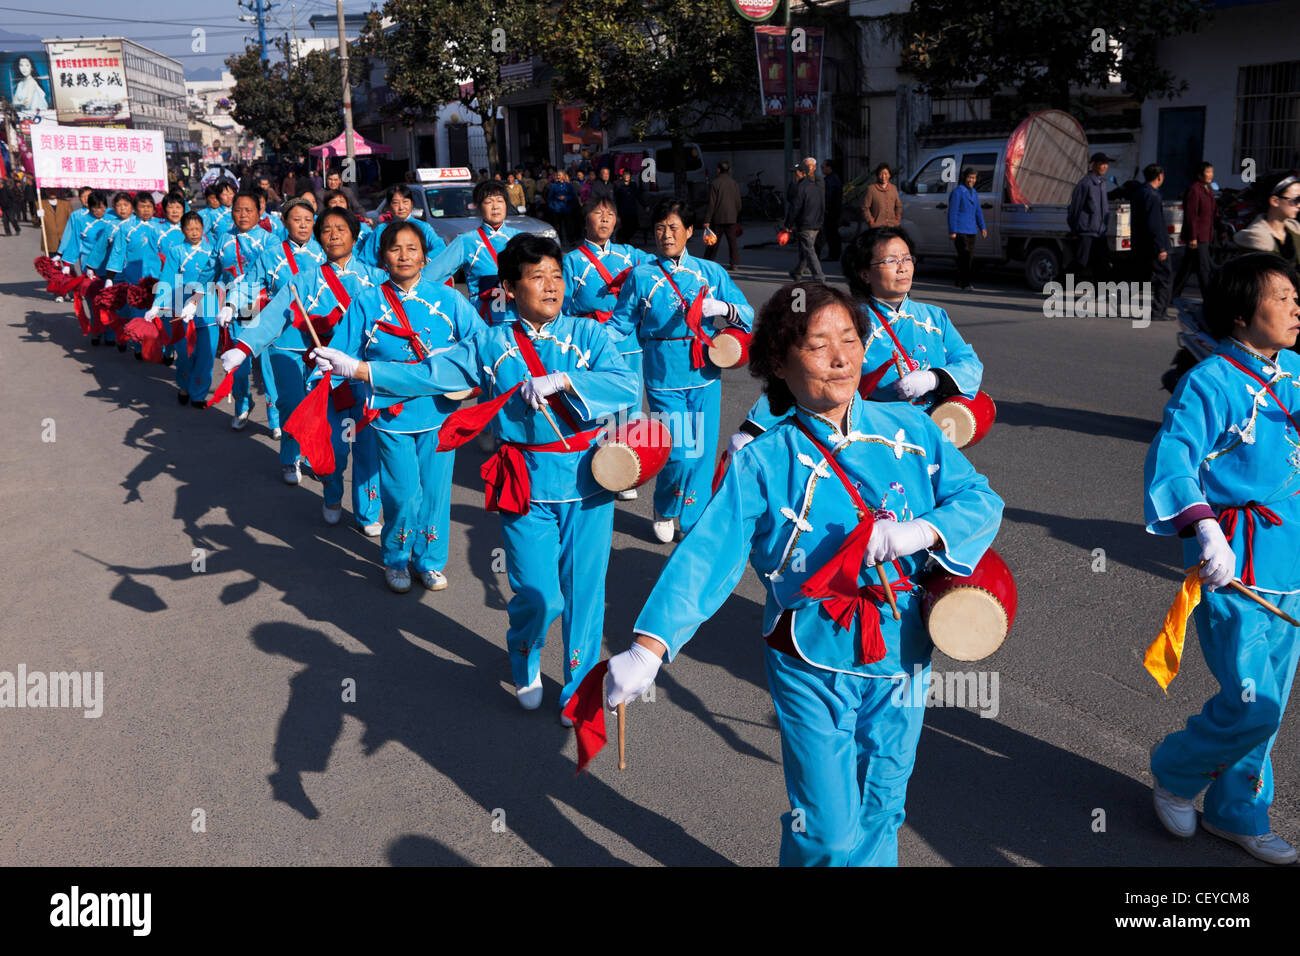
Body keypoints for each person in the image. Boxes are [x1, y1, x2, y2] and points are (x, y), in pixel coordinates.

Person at [603, 281, 1004, 866]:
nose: (841, 357)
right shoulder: (763, 458)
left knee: (885, 804)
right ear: (780, 365)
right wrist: (648, 648)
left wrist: (920, 532)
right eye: (819, 345)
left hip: (903, 650)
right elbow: (708, 555)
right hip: (809, 654)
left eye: (850, 340)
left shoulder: (912, 431)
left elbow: (980, 498)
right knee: (827, 829)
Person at [311, 233, 638, 717]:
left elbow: (626, 383)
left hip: (589, 480)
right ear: (508, 286)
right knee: (540, 594)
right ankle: (523, 651)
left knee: (587, 593)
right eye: (537, 277)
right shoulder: (490, 342)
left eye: (556, 276)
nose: (551, 286)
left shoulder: (587, 335)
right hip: (525, 481)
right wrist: (360, 370)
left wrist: (568, 379)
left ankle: (578, 689)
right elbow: (430, 374)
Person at [1144, 253, 1300, 865]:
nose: (1295, 307)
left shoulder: (1294, 370)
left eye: (1295, 296)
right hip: (1236, 567)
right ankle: (1177, 770)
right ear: (1241, 314)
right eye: (1282, 296)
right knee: (1248, 700)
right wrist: (1205, 532)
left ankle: (1238, 810)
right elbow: (1174, 456)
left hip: (1293, 561)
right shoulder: (1209, 381)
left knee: (1273, 703)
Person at [317, 221, 483, 591]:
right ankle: (395, 557)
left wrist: (472, 379)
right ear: (383, 258)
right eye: (395, 249)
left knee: (436, 492)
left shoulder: (450, 299)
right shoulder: (367, 301)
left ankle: (430, 560)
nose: (404, 255)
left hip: (440, 411)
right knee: (404, 493)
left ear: (425, 257)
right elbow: (343, 352)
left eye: (412, 248)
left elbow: (481, 344)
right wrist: (322, 373)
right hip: (390, 414)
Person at [220, 207, 384, 531]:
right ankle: (332, 494)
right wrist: (243, 346)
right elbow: (276, 313)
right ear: (320, 239)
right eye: (327, 230)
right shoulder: (305, 280)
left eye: (341, 228)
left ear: (355, 234)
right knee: (334, 445)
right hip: (325, 375)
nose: (334, 235)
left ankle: (367, 513)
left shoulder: (375, 278)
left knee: (368, 446)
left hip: (364, 374)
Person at [737, 226, 984, 439]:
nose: (902, 268)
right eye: (890, 261)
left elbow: (969, 363)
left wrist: (933, 378)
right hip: (873, 435)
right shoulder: (848, 320)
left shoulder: (934, 317)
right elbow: (804, 373)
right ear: (864, 274)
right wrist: (754, 428)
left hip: (932, 432)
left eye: (907, 259)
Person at [609, 199, 754, 542]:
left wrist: (723, 307)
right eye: (660, 228)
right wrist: (589, 344)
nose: (666, 235)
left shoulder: (710, 272)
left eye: (674, 228)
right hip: (662, 371)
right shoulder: (641, 276)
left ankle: (693, 515)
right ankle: (664, 506)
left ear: (689, 232)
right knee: (679, 451)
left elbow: (747, 314)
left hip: (704, 372)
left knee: (702, 452)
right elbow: (620, 324)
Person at [562, 195, 656, 501]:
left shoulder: (632, 256)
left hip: (628, 343)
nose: (604, 218)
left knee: (630, 407)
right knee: (595, 407)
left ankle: (624, 472)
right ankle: (592, 468)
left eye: (610, 213)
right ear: (585, 220)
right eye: (598, 213)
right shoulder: (571, 261)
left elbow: (661, 271)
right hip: (590, 343)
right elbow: (561, 307)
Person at [243, 196, 326, 472]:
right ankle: (291, 460)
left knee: (317, 404)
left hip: (321, 342)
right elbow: (249, 288)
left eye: (308, 220)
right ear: (284, 222)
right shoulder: (270, 255)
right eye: (296, 219)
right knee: (290, 402)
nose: (303, 225)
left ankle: (314, 455)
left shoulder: (325, 252)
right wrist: (236, 314)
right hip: (284, 341)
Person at [214, 190, 277, 430]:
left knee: (270, 364)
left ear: (259, 212)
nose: (242, 215)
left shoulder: (269, 240)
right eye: (237, 210)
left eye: (248, 210)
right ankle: (242, 404)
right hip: (234, 309)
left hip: (263, 306)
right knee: (238, 363)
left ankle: (275, 417)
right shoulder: (223, 238)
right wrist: (196, 299)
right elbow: (214, 272)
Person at [424, 179, 521, 321]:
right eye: (488, 202)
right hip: (482, 321)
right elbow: (431, 275)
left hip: (519, 321)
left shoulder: (520, 239)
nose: (495, 207)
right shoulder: (466, 241)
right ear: (479, 207)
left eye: (500, 201)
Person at [159, 210, 219, 404]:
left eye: (197, 228)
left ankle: (199, 394)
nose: (194, 232)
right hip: (182, 308)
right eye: (189, 229)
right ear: (182, 230)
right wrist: (157, 305)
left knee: (207, 354)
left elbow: (221, 278)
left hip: (209, 307)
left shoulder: (213, 251)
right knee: (185, 352)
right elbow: (167, 279)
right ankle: (184, 385)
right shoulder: (176, 251)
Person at [357, 183, 444, 268]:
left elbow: (440, 248)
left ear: (412, 204)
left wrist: (423, 261)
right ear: (389, 206)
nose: (401, 207)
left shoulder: (423, 227)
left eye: (405, 202)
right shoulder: (381, 230)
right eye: (395, 203)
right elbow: (366, 261)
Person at [1233, 173, 1300, 270]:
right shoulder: (1255, 239)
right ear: (1275, 201)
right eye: (1296, 199)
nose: (1299, 205)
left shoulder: (1295, 231)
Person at [1172, 162, 1216, 300]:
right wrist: (1192, 237)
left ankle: (1173, 295)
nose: (1210, 175)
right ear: (1199, 175)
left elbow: (1213, 212)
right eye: (1207, 172)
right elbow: (1191, 215)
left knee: (1187, 267)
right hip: (1197, 236)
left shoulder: (1208, 189)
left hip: (1205, 234)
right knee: (1204, 268)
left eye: (1211, 172)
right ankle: (1209, 298)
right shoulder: (1194, 189)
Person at [1133, 164, 1173, 319]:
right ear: (1159, 176)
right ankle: (1159, 311)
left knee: (1144, 275)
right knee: (1164, 277)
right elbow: (1154, 224)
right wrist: (1161, 247)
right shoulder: (1153, 195)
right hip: (1154, 244)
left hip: (1142, 243)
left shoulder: (1140, 192)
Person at [1068, 152, 1112, 279]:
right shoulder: (1085, 184)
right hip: (1087, 232)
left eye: (1106, 164)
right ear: (1093, 165)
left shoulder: (1102, 184)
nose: (1105, 166)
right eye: (1102, 164)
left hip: (1100, 233)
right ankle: (1058, 285)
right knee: (1081, 262)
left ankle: (1101, 294)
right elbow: (1075, 209)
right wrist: (1074, 229)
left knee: (1102, 264)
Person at [947, 167, 987, 291]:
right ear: (964, 177)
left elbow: (978, 211)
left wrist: (982, 227)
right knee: (964, 256)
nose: (971, 180)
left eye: (974, 178)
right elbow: (952, 212)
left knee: (968, 257)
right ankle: (966, 283)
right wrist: (952, 230)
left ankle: (959, 281)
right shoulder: (958, 192)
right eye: (969, 177)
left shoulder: (974, 192)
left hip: (971, 230)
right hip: (960, 230)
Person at [785, 160, 825, 281]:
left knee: (809, 251)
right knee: (806, 249)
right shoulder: (816, 186)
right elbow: (822, 204)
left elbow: (794, 208)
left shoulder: (800, 188)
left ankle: (819, 277)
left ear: (802, 173)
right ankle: (797, 272)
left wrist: (788, 224)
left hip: (805, 224)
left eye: (796, 172)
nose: (794, 175)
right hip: (816, 223)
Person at [702, 161, 743, 271]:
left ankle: (708, 261)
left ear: (718, 170)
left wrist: (707, 220)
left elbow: (712, 203)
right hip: (731, 218)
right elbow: (738, 202)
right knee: (732, 242)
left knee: (713, 241)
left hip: (718, 218)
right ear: (728, 170)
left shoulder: (716, 183)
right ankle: (734, 263)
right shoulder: (733, 183)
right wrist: (736, 214)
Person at [862, 164, 902, 230]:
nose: (883, 177)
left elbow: (898, 205)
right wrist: (870, 221)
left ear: (889, 175)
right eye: (881, 174)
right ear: (877, 175)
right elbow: (865, 207)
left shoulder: (893, 188)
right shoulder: (871, 189)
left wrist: (897, 218)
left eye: (886, 174)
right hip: (877, 226)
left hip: (892, 226)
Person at [614, 169, 643, 246]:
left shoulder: (633, 185)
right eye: (625, 175)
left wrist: (645, 205)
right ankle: (624, 240)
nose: (626, 176)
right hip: (623, 210)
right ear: (623, 176)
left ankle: (625, 239)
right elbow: (616, 199)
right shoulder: (618, 185)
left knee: (634, 225)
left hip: (632, 209)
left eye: (628, 175)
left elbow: (638, 196)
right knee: (625, 226)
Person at [821, 160, 843, 261]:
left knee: (831, 233)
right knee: (833, 232)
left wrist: (825, 208)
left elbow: (827, 196)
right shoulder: (833, 178)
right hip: (834, 209)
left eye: (823, 167)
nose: (822, 169)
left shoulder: (830, 180)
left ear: (829, 168)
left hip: (831, 210)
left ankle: (833, 254)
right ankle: (835, 253)